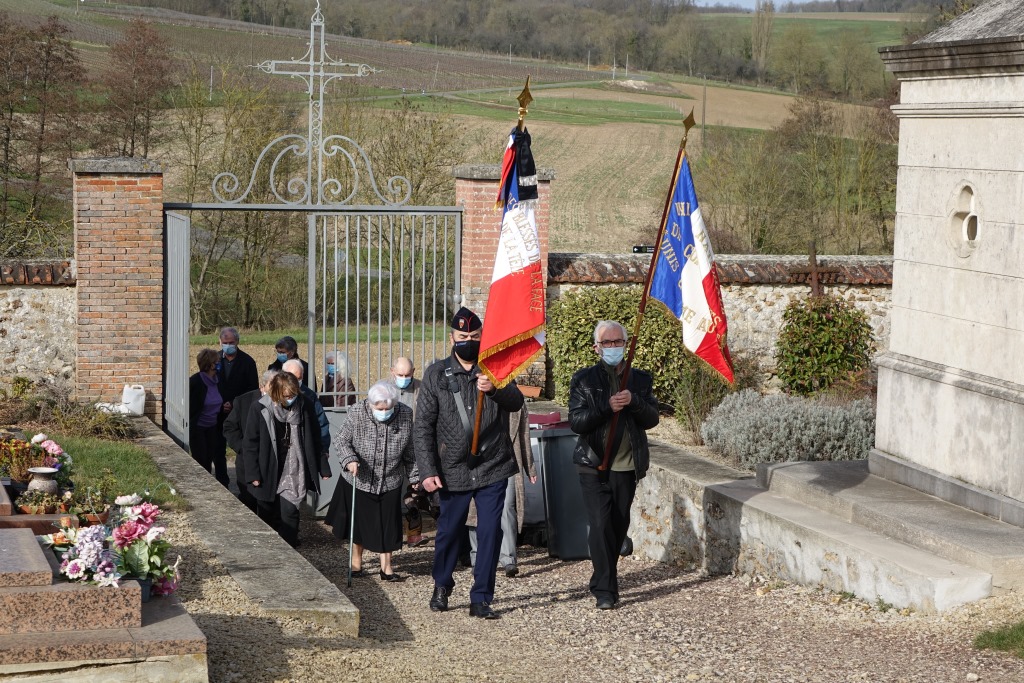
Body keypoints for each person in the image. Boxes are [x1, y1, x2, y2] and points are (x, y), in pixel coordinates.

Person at [415, 307, 525, 620]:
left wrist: (496, 387)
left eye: (474, 336)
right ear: (452, 337)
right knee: (449, 531)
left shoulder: (495, 368)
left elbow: (516, 401)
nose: (468, 341)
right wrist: (427, 470)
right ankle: (442, 584)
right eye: (463, 336)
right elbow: (422, 426)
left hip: (493, 464)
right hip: (452, 468)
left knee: (490, 532)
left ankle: (481, 598)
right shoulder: (436, 375)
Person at [569, 320, 659, 610]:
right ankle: (605, 589)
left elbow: (652, 419)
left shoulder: (640, 380)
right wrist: (606, 407)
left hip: (626, 466)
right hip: (593, 464)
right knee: (600, 523)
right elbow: (577, 422)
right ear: (597, 348)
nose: (612, 347)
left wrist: (633, 401)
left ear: (626, 344)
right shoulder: (584, 380)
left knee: (618, 524)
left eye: (617, 342)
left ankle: (604, 576)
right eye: (606, 343)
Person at [325, 381, 417, 581]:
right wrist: (350, 459)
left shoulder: (405, 414)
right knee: (359, 524)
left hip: (390, 478)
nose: (384, 412)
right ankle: (356, 564)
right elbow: (341, 440)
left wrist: (415, 476)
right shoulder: (357, 411)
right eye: (380, 408)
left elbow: (410, 449)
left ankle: (387, 568)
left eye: (388, 408)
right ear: (371, 404)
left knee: (388, 525)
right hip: (360, 477)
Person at [242, 372, 331, 547]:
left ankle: (290, 549)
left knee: (290, 512)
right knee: (267, 513)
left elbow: (314, 437)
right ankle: (270, 550)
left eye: (293, 395)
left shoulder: (304, 406)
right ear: (276, 393)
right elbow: (250, 444)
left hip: (294, 470)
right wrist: (253, 473)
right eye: (286, 396)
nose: (290, 399)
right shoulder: (259, 408)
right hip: (268, 469)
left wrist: (323, 466)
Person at [467, 404, 536, 577]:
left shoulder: (516, 404)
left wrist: (530, 467)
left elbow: (523, 435)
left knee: (507, 508)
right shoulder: (474, 397)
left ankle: (508, 559)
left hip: (509, 462)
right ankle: (477, 558)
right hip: (479, 461)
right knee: (475, 510)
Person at [223, 370, 278, 512]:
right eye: (272, 386)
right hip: (247, 461)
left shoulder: (282, 401)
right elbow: (229, 427)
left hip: (271, 460)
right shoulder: (243, 401)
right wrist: (242, 448)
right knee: (249, 499)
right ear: (262, 386)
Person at [216, 326, 260, 490]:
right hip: (218, 410)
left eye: (231, 342)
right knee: (218, 449)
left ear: (237, 342)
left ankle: (245, 483)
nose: (228, 345)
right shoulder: (215, 360)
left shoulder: (247, 362)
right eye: (225, 342)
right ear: (220, 342)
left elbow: (252, 388)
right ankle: (222, 482)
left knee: (241, 447)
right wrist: (221, 403)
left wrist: (234, 403)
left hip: (240, 411)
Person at [189, 348, 230, 487]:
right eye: (217, 362)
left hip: (213, 427)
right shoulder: (195, 382)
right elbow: (195, 407)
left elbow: (215, 400)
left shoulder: (217, 380)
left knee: (214, 457)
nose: (219, 364)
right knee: (202, 462)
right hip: (198, 429)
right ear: (210, 364)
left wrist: (222, 407)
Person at [282, 359, 331, 459]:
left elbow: (321, 423)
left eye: (300, 378)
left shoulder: (309, 396)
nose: (297, 381)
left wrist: (323, 450)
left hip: (305, 452)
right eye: (294, 378)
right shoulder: (274, 395)